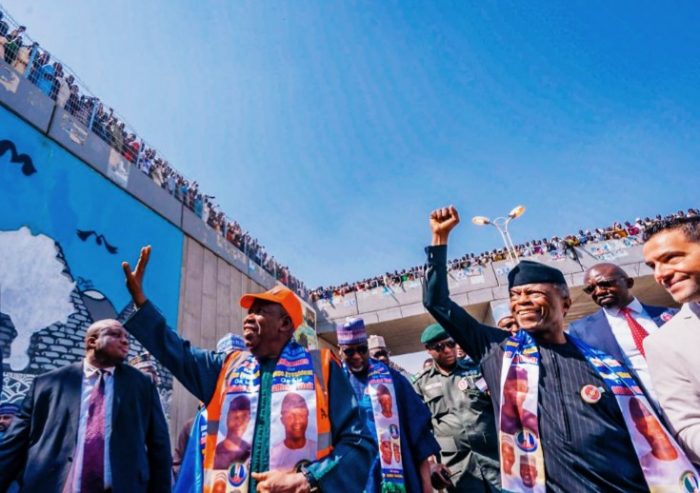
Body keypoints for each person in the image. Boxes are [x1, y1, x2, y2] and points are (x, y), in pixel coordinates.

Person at [423, 205, 698, 492]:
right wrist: (440, 238)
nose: (522, 301)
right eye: (515, 296)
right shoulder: (497, 351)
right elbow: (436, 302)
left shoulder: (603, 363)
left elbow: (642, 436)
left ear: (565, 303)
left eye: (534, 292)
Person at [121, 246, 374, 493]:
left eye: (260, 312)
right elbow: (177, 351)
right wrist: (141, 302)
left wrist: (308, 479)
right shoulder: (224, 368)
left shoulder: (323, 369)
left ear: (285, 324)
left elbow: (358, 443)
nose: (248, 317)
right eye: (248, 312)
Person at [0, 319, 171, 493]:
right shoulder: (47, 385)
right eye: (115, 335)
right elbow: (14, 443)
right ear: (92, 341)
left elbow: (159, 444)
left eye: (126, 337)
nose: (125, 341)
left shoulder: (141, 385)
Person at [337, 318, 439, 493]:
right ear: (340, 351)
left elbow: (419, 435)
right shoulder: (336, 384)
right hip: (357, 478)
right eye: (349, 351)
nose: (357, 356)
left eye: (362, 350)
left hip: (400, 474)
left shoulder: (394, 380)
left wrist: (426, 485)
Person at [569, 262, 677, 403]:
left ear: (629, 283)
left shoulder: (672, 315)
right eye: (591, 289)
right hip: (638, 409)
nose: (599, 291)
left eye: (605, 284)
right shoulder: (581, 331)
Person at [413, 323, 500, 492]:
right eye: (439, 347)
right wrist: (431, 463)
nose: (447, 350)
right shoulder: (421, 384)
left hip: (494, 458)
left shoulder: (477, 369)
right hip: (457, 468)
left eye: (451, 344)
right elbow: (422, 430)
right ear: (428, 350)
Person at [643, 216, 700, 466]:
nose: (660, 274)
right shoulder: (663, 343)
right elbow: (687, 426)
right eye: (653, 266)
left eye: (672, 258)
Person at [269, 392, 317, 469]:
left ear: (307, 417)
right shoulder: (272, 455)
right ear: (282, 420)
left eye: (302, 415)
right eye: (290, 417)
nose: (297, 421)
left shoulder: (318, 450)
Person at [213, 396, 252, 468]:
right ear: (227, 417)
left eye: (244, 417)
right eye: (235, 417)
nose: (239, 423)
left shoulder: (252, 452)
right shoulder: (214, 454)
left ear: (249, 419)